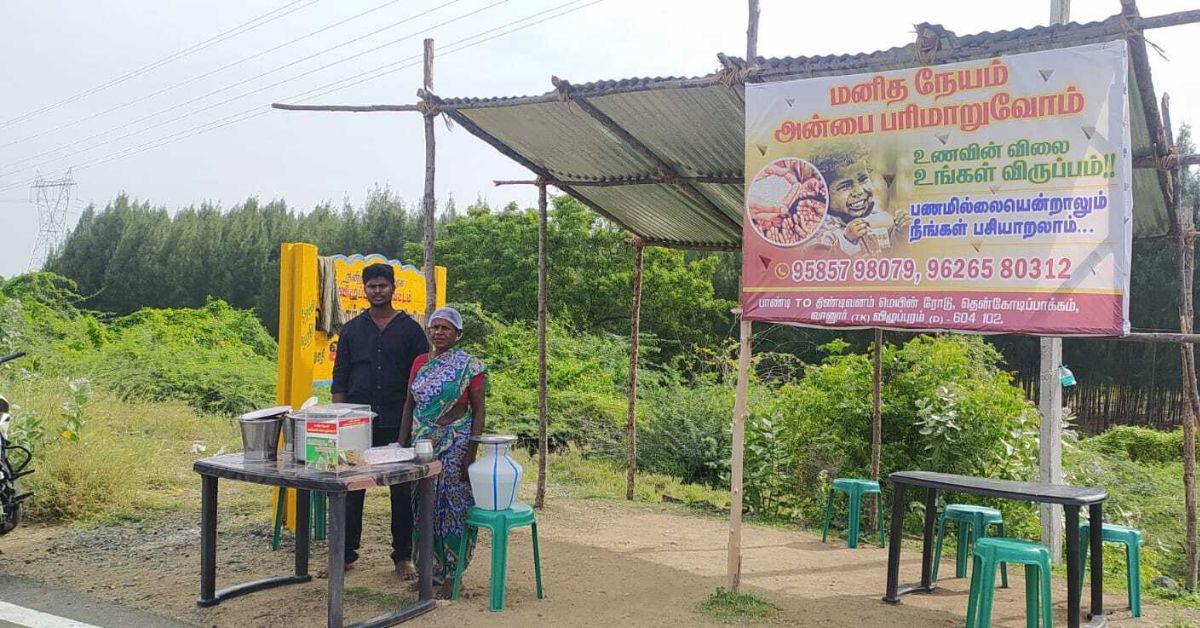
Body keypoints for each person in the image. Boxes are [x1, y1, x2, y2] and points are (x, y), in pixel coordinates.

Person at [330, 263, 429, 579]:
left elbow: (421, 379)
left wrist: (414, 422)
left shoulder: (411, 331)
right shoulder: (352, 330)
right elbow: (340, 377)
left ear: (393, 288)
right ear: (364, 289)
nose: (376, 291)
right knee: (349, 487)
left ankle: (402, 557)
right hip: (357, 423)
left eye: (382, 285)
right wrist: (338, 421)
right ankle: (344, 555)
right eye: (371, 286)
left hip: (397, 421)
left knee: (400, 492)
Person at [400, 306, 487, 598]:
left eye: (446, 328)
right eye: (434, 327)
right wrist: (401, 446)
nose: (439, 332)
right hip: (423, 442)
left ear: (458, 334)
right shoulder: (420, 362)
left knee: (452, 508)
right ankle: (430, 571)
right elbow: (409, 405)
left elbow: (478, 410)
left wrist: (470, 453)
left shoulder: (470, 366)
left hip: (456, 443)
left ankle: (453, 574)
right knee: (422, 506)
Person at [805, 148, 910, 258]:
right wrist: (847, 242)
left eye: (863, 179)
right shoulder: (820, 234)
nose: (859, 191)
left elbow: (889, 254)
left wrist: (900, 233)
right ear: (822, 195)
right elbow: (820, 269)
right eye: (845, 186)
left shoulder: (869, 222)